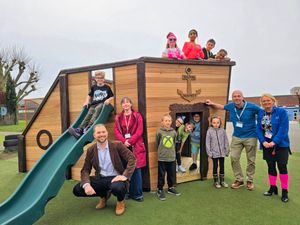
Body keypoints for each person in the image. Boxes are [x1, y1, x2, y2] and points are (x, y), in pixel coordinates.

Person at [72, 124, 136, 216]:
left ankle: (120, 202)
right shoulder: (91, 150)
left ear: (107, 133)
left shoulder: (117, 145)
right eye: (98, 132)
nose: (101, 134)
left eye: (103, 132)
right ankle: (104, 196)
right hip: (100, 178)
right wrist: (86, 185)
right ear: (94, 135)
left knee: (117, 187)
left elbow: (132, 158)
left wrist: (124, 176)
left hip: (115, 178)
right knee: (77, 189)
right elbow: (85, 169)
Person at [206, 90, 261, 190]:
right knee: (234, 158)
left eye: (238, 96)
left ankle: (250, 180)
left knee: (251, 160)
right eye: (234, 96)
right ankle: (239, 179)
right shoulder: (231, 106)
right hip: (237, 137)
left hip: (251, 136)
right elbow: (221, 107)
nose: (236, 98)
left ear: (242, 97)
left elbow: (263, 112)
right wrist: (212, 103)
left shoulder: (252, 107)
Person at [256, 93, 291, 202]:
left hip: (281, 145)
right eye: (264, 101)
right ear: (261, 103)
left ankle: (285, 191)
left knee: (282, 167)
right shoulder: (261, 113)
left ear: (273, 101)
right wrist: (263, 141)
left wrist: (274, 142)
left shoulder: (281, 112)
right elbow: (258, 129)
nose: (266, 103)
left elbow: (283, 129)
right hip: (267, 145)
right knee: (271, 166)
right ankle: (272, 187)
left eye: (268, 100)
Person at [114, 97, 146, 202]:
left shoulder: (137, 116)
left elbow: (139, 131)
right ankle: (126, 193)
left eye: (127, 102)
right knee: (124, 169)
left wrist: (130, 141)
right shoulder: (118, 117)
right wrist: (124, 141)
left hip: (135, 145)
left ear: (131, 104)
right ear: (121, 105)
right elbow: (117, 131)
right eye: (123, 103)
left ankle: (137, 194)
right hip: (123, 146)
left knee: (136, 169)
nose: (125, 104)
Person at [69, 71, 114, 139]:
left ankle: (89, 127)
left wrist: (108, 100)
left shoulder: (107, 87)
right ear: (95, 79)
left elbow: (112, 96)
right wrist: (86, 101)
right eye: (98, 78)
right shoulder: (94, 87)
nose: (100, 79)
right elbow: (89, 95)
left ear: (104, 79)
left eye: (101, 78)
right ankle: (80, 129)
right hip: (94, 104)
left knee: (97, 110)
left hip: (102, 104)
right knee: (89, 114)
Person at [156, 114, 181, 200]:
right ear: (162, 122)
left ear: (171, 122)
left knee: (171, 174)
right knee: (161, 175)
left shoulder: (174, 132)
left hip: (171, 157)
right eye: (166, 120)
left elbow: (174, 143)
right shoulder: (159, 132)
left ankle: (171, 188)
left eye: (169, 121)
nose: (168, 122)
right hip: (162, 157)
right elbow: (157, 143)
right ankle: (160, 189)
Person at [206, 115, 229, 188]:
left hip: (222, 152)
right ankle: (216, 181)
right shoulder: (209, 131)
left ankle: (222, 181)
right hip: (214, 153)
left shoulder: (223, 131)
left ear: (220, 123)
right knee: (215, 166)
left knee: (222, 166)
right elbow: (207, 142)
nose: (216, 124)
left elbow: (226, 141)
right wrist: (209, 152)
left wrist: (227, 150)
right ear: (211, 123)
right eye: (214, 122)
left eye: (217, 122)